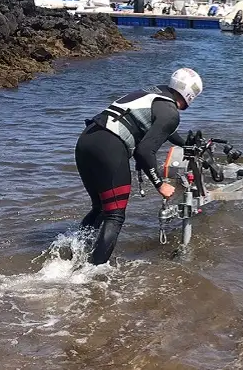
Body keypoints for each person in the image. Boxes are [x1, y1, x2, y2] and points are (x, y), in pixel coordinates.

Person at [74, 67, 203, 265]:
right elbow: (144, 152)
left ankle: (74, 252)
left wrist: (185, 144)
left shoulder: (154, 93)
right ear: (191, 94)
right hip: (110, 148)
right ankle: (89, 273)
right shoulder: (171, 113)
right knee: (115, 215)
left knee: (100, 208)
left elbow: (160, 130)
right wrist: (160, 184)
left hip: (87, 141)